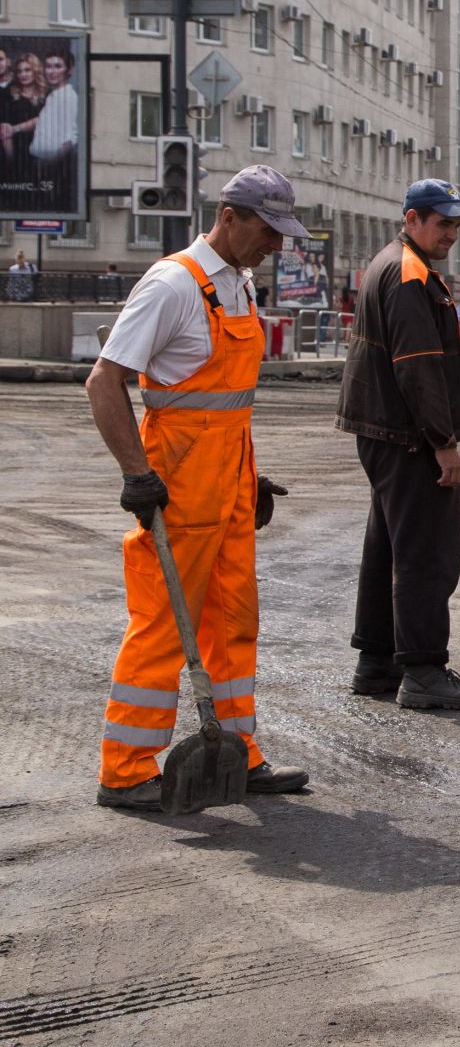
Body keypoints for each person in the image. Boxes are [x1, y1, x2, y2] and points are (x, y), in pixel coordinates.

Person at [85, 166, 310, 809]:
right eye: (268, 231)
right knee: (161, 622)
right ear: (230, 216)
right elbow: (105, 384)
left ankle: (239, 755)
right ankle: (126, 770)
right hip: (179, 485)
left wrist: (248, 473)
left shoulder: (238, 284)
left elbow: (224, 402)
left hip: (230, 481)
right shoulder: (173, 284)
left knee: (234, 622)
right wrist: (136, 474)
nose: (275, 245)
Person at [336, 179, 460, 710]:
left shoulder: (396, 264)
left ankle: (377, 662)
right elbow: (417, 365)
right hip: (407, 436)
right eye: (441, 223)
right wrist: (442, 442)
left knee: (388, 549)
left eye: (454, 225)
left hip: (385, 432)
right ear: (411, 219)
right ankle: (423, 669)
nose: (450, 234)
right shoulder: (408, 274)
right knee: (427, 552)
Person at [29, 51, 81, 206]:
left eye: (57, 66)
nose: (51, 71)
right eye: (48, 66)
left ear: (69, 69)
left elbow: (70, 141)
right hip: (41, 167)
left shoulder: (67, 97)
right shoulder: (54, 96)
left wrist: (48, 166)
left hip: (51, 170)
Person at [0, 52, 45, 190]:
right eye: (19, 71)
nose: (23, 74)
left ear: (35, 70)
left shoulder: (46, 93)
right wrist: (12, 165)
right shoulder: (8, 93)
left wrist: (17, 128)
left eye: (27, 70)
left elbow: (46, 119)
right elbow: (4, 128)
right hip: (16, 150)